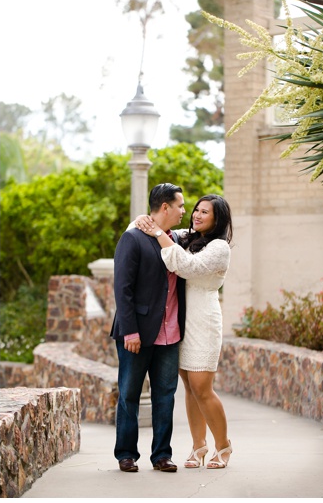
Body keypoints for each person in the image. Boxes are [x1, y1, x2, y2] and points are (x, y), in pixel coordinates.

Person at [134, 194, 233, 469]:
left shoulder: (219, 247)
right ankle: (198, 445)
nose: (197, 215)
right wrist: (145, 221)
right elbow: (158, 225)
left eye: (205, 212)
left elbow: (187, 266)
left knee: (202, 387)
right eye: (196, 210)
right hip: (182, 321)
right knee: (189, 387)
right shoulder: (187, 236)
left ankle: (223, 445)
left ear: (218, 219)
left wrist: (156, 231)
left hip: (204, 322)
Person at [110, 183, 187, 473]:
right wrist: (130, 331)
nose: (183, 211)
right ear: (164, 207)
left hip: (170, 334)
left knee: (165, 395)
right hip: (138, 333)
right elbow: (123, 289)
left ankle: (161, 456)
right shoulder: (132, 238)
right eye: (179, 205)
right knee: (129, 393)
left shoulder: (176, 240)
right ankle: (126, 454)